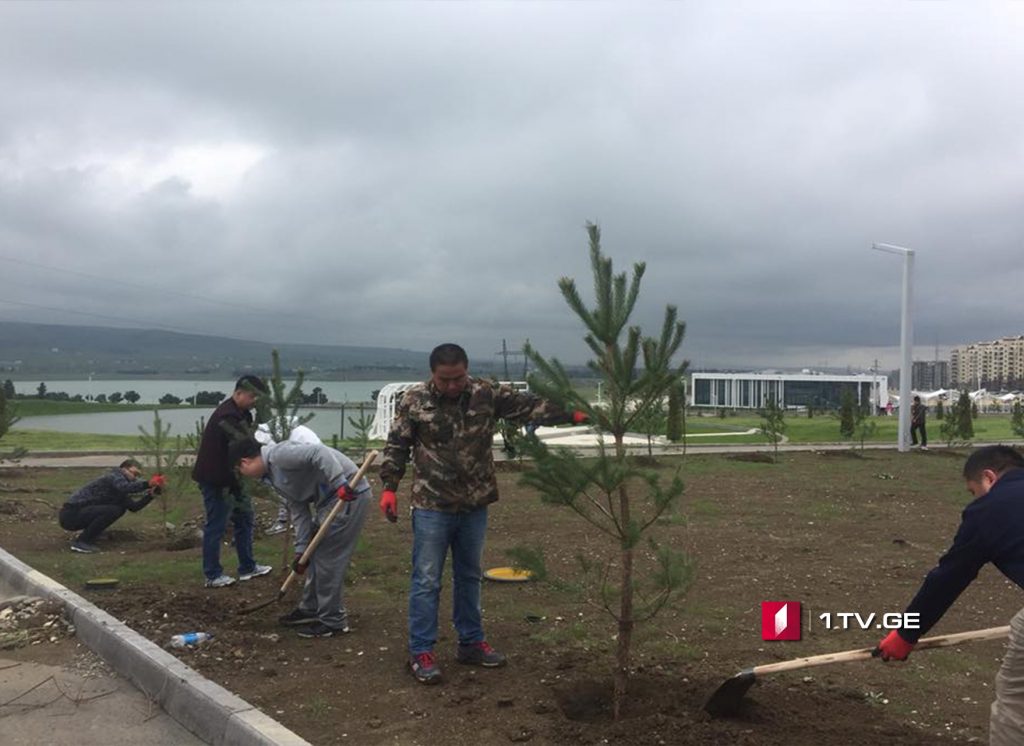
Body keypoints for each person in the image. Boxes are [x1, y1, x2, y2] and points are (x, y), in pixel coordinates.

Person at [380, 342, 584, 684]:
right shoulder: (414, 401)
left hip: (474, 504)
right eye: (445, 380)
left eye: (458, 378)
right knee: (427, 579)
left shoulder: (485, 394)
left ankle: (471, 643)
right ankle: (421, 652)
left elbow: (529, 407)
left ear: (466, 369)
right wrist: (389, 486)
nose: (452, 385)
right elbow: (397, 444)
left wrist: (573, 413)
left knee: (470, 575)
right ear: (433, 374)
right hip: (432, 505)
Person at [875, 445, 1024, 745]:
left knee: (1015, 705)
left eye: (973, 491)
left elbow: (948, 578)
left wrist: (905, 634)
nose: (975, 499)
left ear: (989, 477)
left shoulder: (987, 511)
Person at [229, 436, 371, 638]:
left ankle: (333, 621)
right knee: (314, 553)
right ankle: (311, 608)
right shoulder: (272, 476)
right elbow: (298, 509)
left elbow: (318, 453)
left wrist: (339, 482)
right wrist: (301, 550)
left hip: (348, 494)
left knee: (327, 558)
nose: (244, 475)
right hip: (328, 501)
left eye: (240, 471)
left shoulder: (279, 455)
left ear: (245, 462)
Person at [192, 375, 272, 588]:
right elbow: (245, 446)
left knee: (245, 520)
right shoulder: (227, 416)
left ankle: (247, 567)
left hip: (235, 478)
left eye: (258, 397)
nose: (254, 400)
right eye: (252, 396)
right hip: (216, 479)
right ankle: (212, 574)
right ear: (238, 393)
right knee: (216, 525)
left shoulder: (242, 413)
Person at [59, 459, 164, 553]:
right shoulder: (114, 477)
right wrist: (147, 484)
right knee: (112, 510)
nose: (135, 478)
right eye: (134, 474)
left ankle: (92, 534)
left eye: (138, 476)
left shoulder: (119, 490)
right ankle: (82, 542)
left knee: (119, 509)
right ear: (123, 469)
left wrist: (151, 495)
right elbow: (125, 487)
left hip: (82, 514)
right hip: (71, 514)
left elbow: (134, 507)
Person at [254, 421, 322, 536]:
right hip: (308, 454)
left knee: (293, 491)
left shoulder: (273, 439)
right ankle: (304, 525)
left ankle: (288, 521)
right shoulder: (270, 431)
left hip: (307, 457)